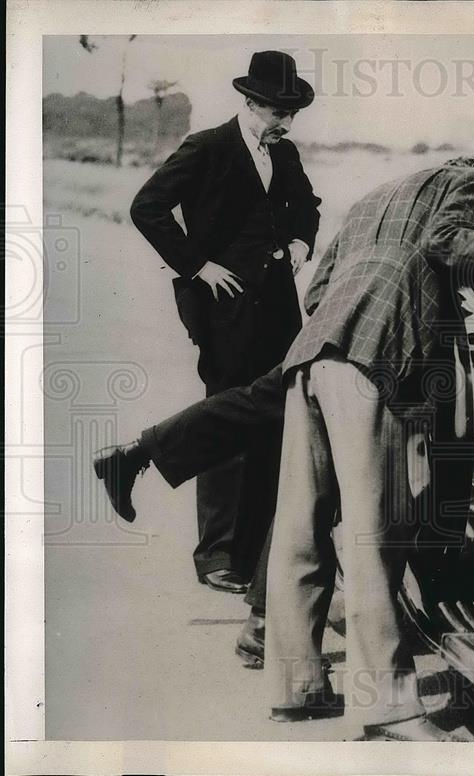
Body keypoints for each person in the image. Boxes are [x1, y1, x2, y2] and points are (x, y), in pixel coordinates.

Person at [263, 157, 474, 740]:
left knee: (299, 524)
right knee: (373, 535)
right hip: (371, 360)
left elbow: (319, 287)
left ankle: (296, 686)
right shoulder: (472, 181)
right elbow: (449, 242)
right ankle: (388, 709)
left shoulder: (373, 198)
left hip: (310, 357)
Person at [129, 50, 321, 593]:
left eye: (293, 112)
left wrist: (302, 241)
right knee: (224, 419)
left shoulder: (283, 154)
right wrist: (198, 265)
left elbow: (308, 205)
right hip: (224, 310)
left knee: (271, 423)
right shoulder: (207, 147)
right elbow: (147, 206)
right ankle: (215, 556)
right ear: (251, 101)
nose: (286, 121)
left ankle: (255, 553)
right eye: (278, 110)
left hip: (278, 311)